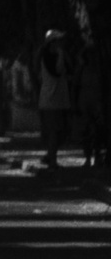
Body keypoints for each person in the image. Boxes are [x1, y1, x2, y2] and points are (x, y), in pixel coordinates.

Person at [37, 29, 78, 168]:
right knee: (54, 131)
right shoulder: (47, 57)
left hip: (60, 99)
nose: (62, 43)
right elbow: (58, 71)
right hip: (51, 100)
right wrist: (61, 55)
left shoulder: (60, 55)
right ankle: (52, 161)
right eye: (58, 41)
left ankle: (49, 155)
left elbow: (70, 70)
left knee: (62, 131)